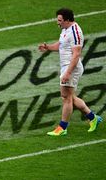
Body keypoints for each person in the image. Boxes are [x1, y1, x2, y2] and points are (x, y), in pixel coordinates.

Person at [38, 8, 102, 136]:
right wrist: (48, 47)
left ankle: (62, 128)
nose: (58, 23)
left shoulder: (75, 32)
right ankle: (93, 118)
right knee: (70, 97)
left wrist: (68, 72)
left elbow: (76, 54)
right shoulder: (66, 29)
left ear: (67, 20)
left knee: (66, 97)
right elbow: (61, 45)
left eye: (60, 20)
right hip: (66, 67)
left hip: (71, 68)